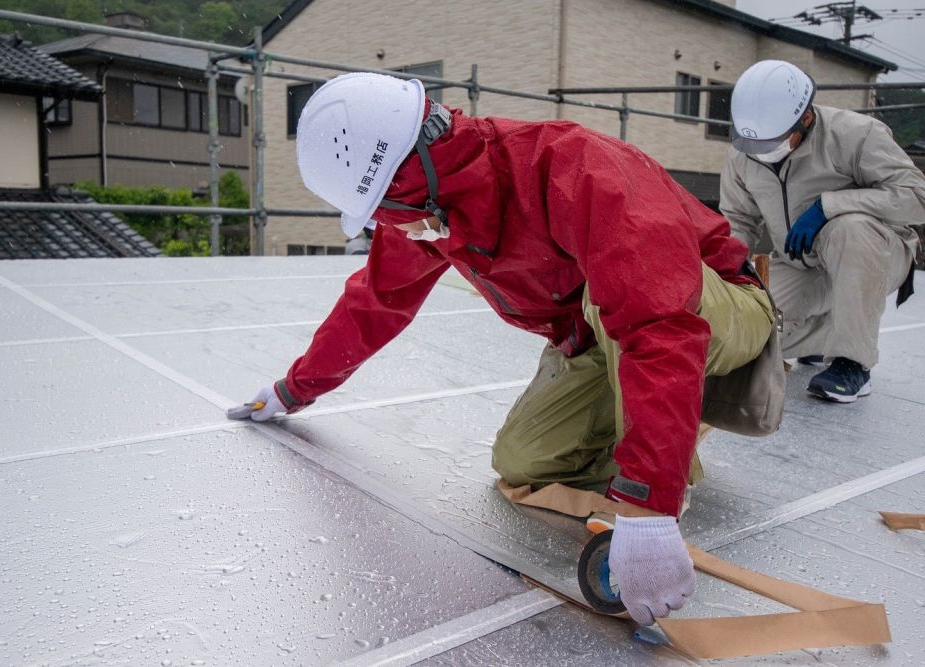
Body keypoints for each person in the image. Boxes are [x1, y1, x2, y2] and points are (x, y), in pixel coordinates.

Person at [228, 72, 776, 625]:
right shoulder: (432, 211)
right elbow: (375, 303)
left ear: (412, 180)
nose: (379, 227)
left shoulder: (574, 168)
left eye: (381, 212)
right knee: (522, 460)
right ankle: (665, 421)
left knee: (616, 303)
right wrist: (290, 390)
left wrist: (647, 508)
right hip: (601, 330)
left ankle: (663, 462)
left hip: (715, 304)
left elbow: (659, 324)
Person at [721, 60, 925, 403]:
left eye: (774, 140)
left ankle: (853, 363)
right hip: (800, 263)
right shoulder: (745, 152)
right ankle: (827, 334)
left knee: (850, 228)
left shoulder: (857, 135)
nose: (763, 153)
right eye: (755, 144)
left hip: (874, 254)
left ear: (806, 118)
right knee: (753, 339)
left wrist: (828, 206)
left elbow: (917, 197)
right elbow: (738, 219)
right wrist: (729, 266)